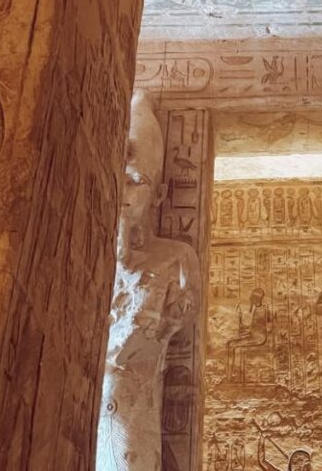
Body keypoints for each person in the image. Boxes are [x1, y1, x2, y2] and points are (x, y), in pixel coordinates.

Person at [97, 92, 200, 471]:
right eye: (118, 180)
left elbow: (152, 338)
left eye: (136, 181)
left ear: (158, 197)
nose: (123, 193)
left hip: (131, 410)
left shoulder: (177, 259)